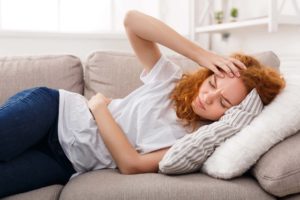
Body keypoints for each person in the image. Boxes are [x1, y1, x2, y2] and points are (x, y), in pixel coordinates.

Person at [0, 10, 285, 198]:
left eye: (223, 101)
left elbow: (131, 164)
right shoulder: (169, 81)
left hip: (65, 162)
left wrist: (99, 107)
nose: (207, 97)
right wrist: (201, 54)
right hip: (52, 112)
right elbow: (133, 21)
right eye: (211, 83)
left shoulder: (192, 143)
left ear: (235, 115)